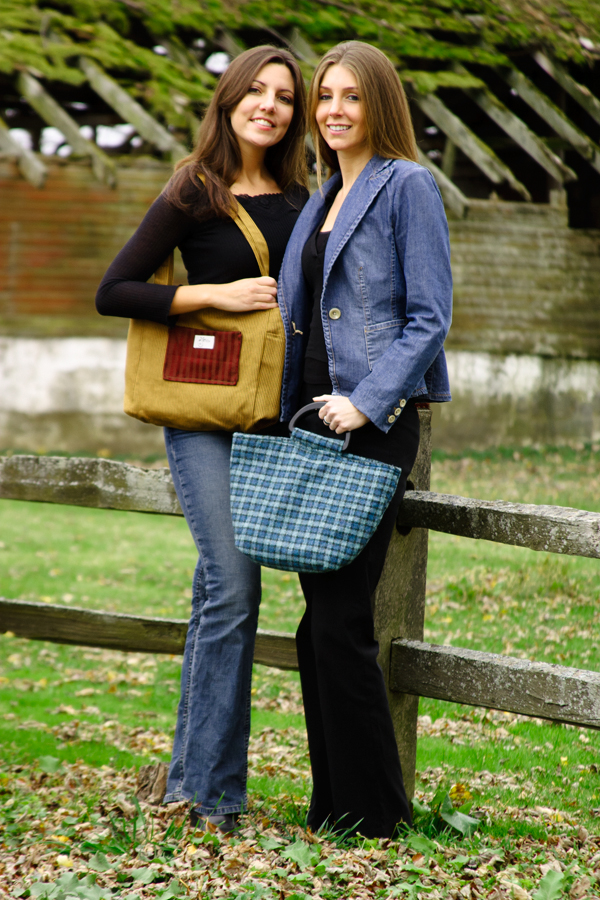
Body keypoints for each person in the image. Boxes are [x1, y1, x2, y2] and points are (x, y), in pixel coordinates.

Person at [95, 45, 308, 834]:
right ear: (228, 100)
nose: (270, 105)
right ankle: (217, 800)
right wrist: (212, 293)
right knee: (236, 585)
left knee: (217, 593)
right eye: (255, 90)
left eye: (285, 96)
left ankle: (188, 783)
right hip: (200, 416)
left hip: (276, 416)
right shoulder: (194, 189)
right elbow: (112, 290)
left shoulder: (304, 197)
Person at [276, 41, 453, 838]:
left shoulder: (406, 185)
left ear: (380, 105)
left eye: (351, 96)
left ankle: (378, 814)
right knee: (319, 628)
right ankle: (332, 803)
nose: (334, 110)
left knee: (343, 624)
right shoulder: (321, 199)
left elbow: (430, 316)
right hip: (312, 428)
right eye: (325, 97)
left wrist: (367, 401)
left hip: (371, 428)